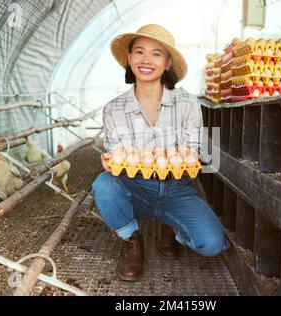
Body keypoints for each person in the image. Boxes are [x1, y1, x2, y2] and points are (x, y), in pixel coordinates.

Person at [92, 24, 230, 282]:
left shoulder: (187, 103)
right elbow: (119, 155)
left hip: (177, 188)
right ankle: (133, 242)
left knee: (211, 243)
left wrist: (180, 159)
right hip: (137, 188)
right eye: (139, 52)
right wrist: (111, 161)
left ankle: (172, 227)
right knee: (104, 184)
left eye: (156, 54)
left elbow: (193, 153)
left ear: (167, 63)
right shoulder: (114, 109)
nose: (146, 60)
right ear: (129, 59)